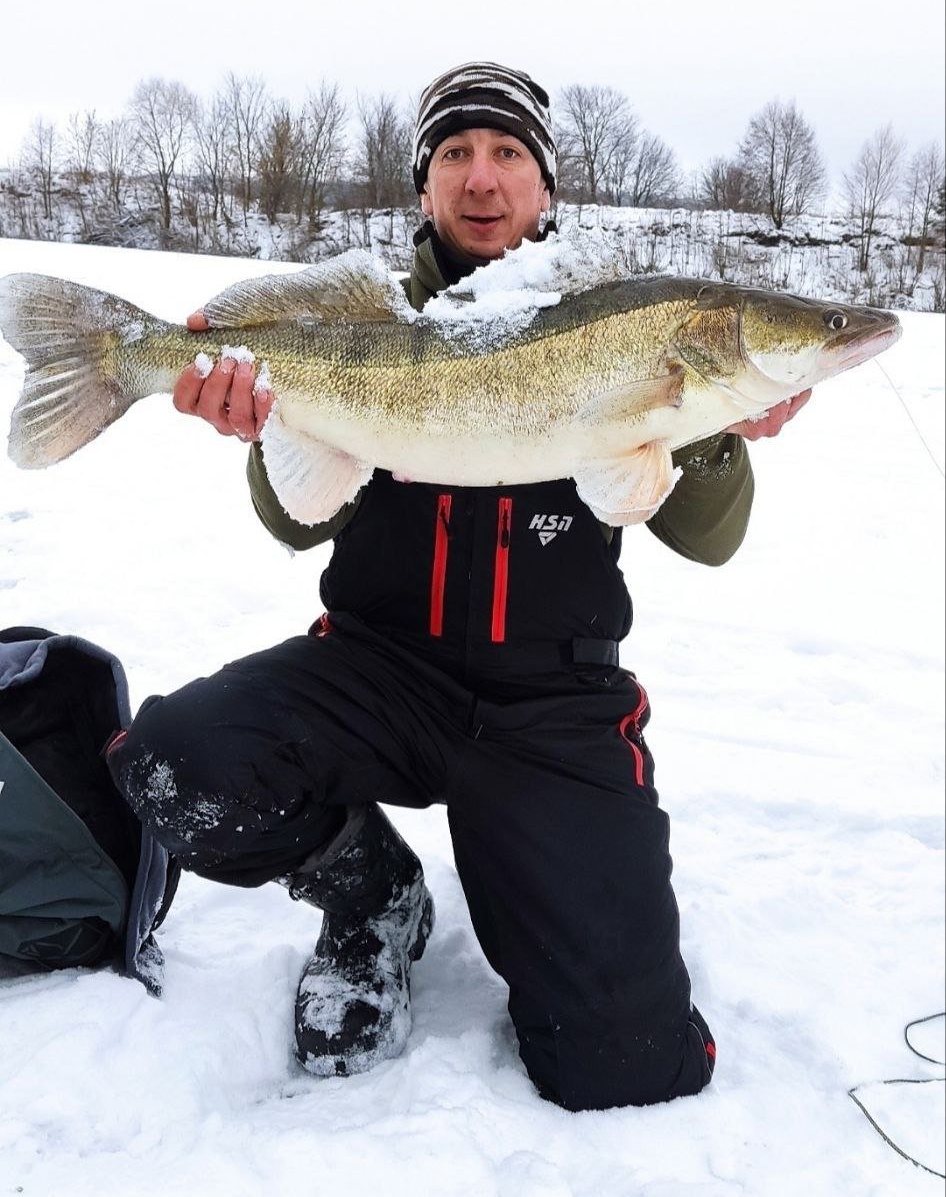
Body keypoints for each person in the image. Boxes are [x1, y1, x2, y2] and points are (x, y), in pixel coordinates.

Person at [111, 62, 810, 1111]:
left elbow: (708, 539)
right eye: (454, 154)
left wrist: (707, 434)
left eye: (508, 153)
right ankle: (370, 892)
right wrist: (264, 429)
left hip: (550, 704)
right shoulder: (367, 318)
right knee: (172, 763)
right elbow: (295, 519)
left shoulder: (626, 322)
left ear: (545, 185)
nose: (481, 178)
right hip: (374, 670)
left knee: (620, 1061)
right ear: (425, 184)